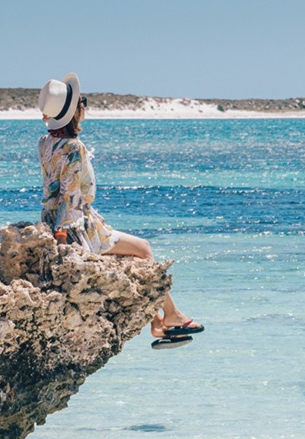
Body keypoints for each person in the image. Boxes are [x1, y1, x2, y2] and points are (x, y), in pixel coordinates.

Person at [37, 73, 204, 348]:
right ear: (75, 111)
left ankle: (158, 324)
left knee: (131, 258)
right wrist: (62, 238)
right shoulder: (74, 148)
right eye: (83, 102)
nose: (85, 107)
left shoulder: (45, 143)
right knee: (143, 249)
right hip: (77, 226)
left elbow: (54, 191)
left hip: (54, 219)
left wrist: (54, 228)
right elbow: (68, 195)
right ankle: (171, 316)